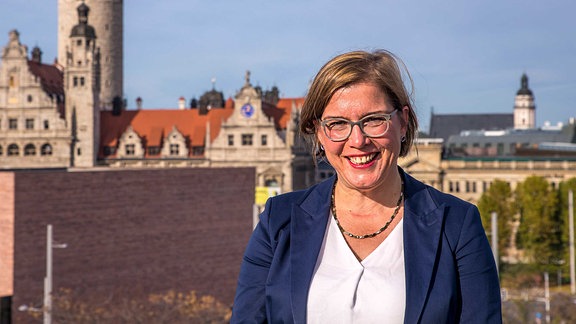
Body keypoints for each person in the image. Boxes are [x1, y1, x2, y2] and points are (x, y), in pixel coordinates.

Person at [231, 49, 502, 323]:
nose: (357, 140)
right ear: (319, 132)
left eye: (374, 120)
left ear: (403, 122)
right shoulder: (279, 220)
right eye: (337, 124)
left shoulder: (456, 224)